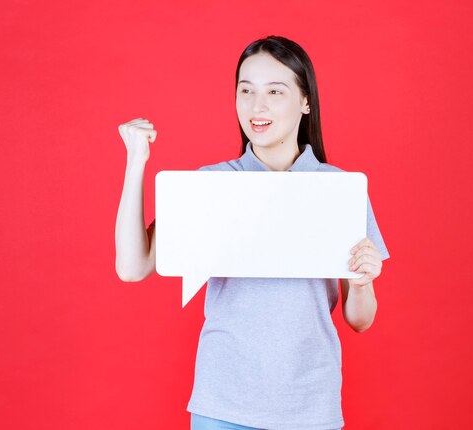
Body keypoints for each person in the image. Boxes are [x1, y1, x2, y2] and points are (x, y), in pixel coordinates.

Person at [115, 35, 390, 430]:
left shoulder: (339, 189)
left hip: (310, 409)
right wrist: (136, 162)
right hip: (223, 406)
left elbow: (360, 320)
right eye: (246, 91)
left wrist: (364, 281)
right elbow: (133, 266)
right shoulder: (212, 185)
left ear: (305, 101)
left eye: (275, 92)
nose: (257, 107)